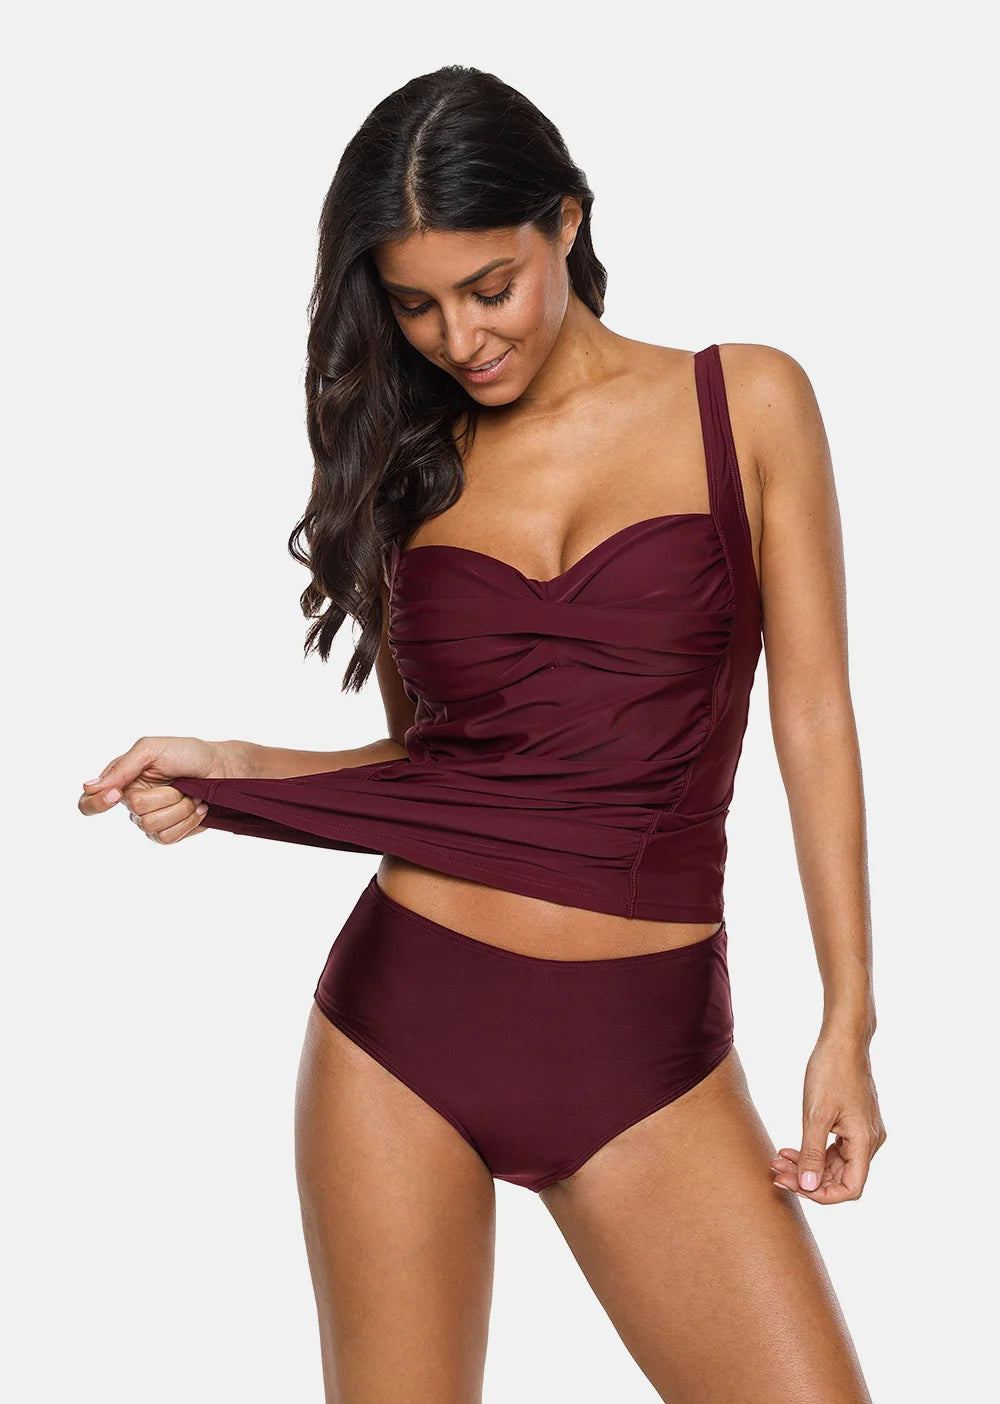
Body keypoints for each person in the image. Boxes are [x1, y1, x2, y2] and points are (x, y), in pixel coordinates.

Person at [79, 64, 884, 1404]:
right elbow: (451, 780)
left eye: (489, 286)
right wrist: (237, 774)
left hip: (647, 1055)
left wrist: (847, 1019)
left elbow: (815, 719)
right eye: (416, 305)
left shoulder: (746, 403)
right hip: (403, 1033)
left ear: (566, 220)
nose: (458, 337)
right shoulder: (416, 466)